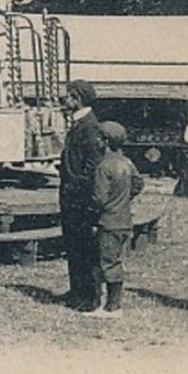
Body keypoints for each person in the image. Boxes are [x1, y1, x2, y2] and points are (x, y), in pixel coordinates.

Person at [57, 79, 106, 312]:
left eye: (68, 96)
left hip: (81, 198)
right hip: (71, 196)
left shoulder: (90, 127)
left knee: (85, 247)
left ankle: (90, 296)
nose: (64, 99)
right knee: (73, 244)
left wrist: (76, 186)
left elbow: (93, 164)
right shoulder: (79, 124)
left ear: (77, 98)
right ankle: (77, 290)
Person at [88, 120, 145, 318]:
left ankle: (111, 307)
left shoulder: (103, 166)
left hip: (107, 221)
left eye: (98, 138)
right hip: (124, 219)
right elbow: (138, 183)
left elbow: (99, 198)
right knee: (115, 261)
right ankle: (112, 305)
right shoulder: (127, 162)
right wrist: (124, 198)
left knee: (107, 263)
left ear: (105, 141)